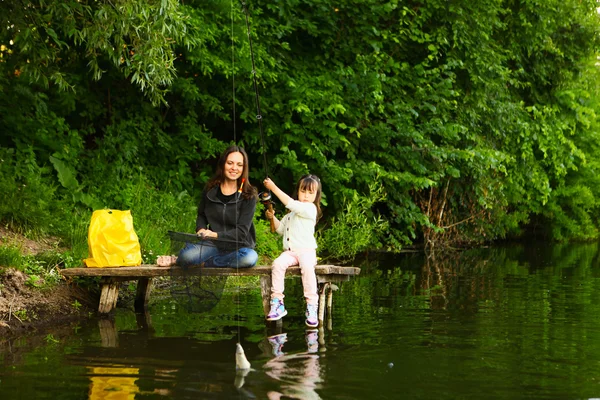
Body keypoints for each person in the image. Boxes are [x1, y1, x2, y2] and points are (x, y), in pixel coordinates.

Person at [157, 145, 258, 268]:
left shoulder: (249, 195)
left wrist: (214, 234)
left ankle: (206, 263)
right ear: (223, 164)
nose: (234, 168)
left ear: (244, 168)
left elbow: (241, 233)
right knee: (186, 257)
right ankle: (182, 259)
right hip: (213, 245)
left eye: (239, 165)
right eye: (230, 163)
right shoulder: (210, 189)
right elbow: (201, 215)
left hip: (240, 248)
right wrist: (201, 229)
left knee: (249, 258)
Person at [263, 174, 322, 328]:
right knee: (277, 264)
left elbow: (291, 203)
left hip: (306, 251)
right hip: (290, 252)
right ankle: (277, 302)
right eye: (303, 191)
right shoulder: (291, 214)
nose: (306, 196)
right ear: (298, 191)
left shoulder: (310, 209)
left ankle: (311, 305)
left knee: (307, 268)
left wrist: (273, 188)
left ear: (316, 196)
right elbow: (280, 230)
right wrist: (273, 218)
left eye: (311, 193)